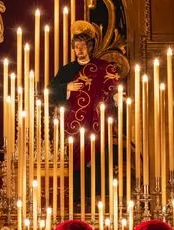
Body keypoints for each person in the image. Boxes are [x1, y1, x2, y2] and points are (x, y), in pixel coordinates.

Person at [48, 20, 120, 192]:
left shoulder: (101, 68)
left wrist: (116, 96)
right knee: (76, 162)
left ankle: (98, 195)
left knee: (97, 160)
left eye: (83, 46)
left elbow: (112, 86)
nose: (79, 49)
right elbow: (50, 91)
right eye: (76, 46)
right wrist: (67, 87)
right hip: (73, 126)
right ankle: (76, 196)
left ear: (89, 47)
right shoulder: (67, 70)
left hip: (96, 125)